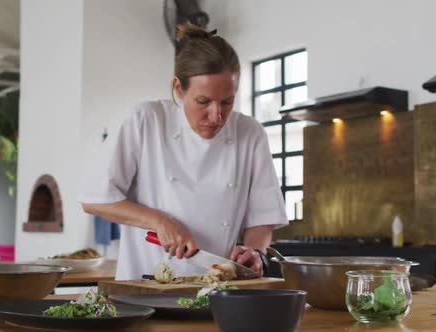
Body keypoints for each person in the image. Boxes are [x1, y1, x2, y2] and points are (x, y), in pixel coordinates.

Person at [79, 24, 288, 280]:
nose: (216, 115)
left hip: (217, 288)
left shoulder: (250, 133)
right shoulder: (147, 119)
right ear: (179, 88)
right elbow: (94, 199)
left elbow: (262, 218)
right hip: (145, 289)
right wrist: (160, 221)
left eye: (227, 102)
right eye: (203, 102)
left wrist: (254, 253)